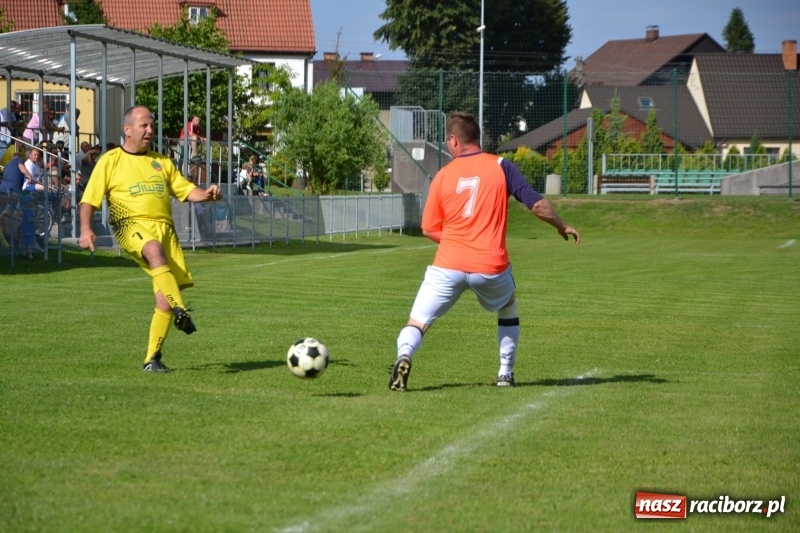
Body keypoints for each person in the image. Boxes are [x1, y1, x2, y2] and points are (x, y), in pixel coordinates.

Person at [388, 112, 580, 391]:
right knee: (507, 307)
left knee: (417, 321)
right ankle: (505, 373)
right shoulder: (501, 166)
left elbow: (428, 228)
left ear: (453, 140)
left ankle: (404, 355)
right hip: (491, 266)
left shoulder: (442, 175)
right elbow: (536, 205)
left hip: (447, 266)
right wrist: (561, 225)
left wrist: (457, 242)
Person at [79, 105, 223, 373]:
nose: (150, 130)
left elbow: (185, 189)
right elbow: (89, 200)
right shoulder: (110, 160)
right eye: (144, 125)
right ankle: (182, 311)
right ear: (127, 129)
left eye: (151, 125)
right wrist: (86, 228)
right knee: (153, 250)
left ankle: (152, 359)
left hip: (165, 230)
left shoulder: (162, 162)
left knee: (162, 299)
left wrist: (207, 194)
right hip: (129, 224)